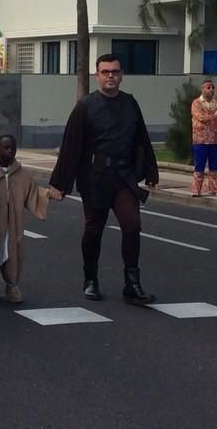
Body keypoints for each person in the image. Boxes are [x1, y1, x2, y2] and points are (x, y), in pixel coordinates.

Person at [49, 54, 158, 306]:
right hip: (95, 177)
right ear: (97, 75)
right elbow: (71, 146)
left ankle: (132, 284)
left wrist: (151, 172)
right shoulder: (85, 106)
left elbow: (142, 138)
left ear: (121, 75)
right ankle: (90, 281)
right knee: (93, 229)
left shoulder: (130, 103)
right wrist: (60, 184)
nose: (111, 76)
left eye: (115, 72)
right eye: (106, 71)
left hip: (124, 177)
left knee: (132, 225)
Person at [0, 134, 50, 303]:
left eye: (12, 148)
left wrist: (49, 194)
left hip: (13, 223)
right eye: (5, 147)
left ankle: (12, 285)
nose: (9, 151)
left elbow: (34, 193)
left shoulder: (21, 174)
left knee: (13, 251)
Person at [190, 79, 217, 196]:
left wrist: (216, 117)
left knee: (214, 165)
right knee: (199, 165)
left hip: (215, 139)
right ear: (202, 89)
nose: (211, 90)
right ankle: (196, 190)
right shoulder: (196, 103)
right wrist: (215, 115)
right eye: (208, 88)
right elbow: (201, 117)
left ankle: (214, 188)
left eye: (212, 88)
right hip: (201, 139)